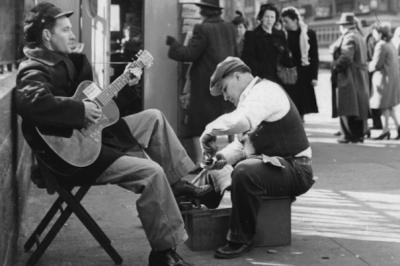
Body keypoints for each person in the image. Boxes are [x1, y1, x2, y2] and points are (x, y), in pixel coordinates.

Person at [15, 3, 210, 265]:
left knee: (154, 118)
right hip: (73, 156)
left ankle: (177, 188)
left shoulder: (73, 62)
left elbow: (103, 109)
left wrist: (127, 85)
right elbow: (32, 104)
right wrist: (79, 110)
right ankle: (164, 253)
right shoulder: (34, 68)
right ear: (47, 36)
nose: (72, 35)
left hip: (98, 135)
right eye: (65, 30)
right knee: (152, 173)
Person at [199, 57, 314, 259]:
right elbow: (242, 144)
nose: (225, 97)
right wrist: (220, 159)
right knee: (214, 170)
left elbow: (243, 122)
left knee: (245, 172)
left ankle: (240, 238)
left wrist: (210, 131)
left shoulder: (266, 91)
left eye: (225, 89)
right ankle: (189, 209)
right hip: (278, 165)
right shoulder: (251, 98)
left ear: (237, 76)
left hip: (296, 169)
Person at [166, 0, 237, 165]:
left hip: (205, 85)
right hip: (226, 82)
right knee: (222, 121)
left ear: (204, 11)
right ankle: (224, 157)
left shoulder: (203, 28)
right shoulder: (230, 28)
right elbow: (236, 53)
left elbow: (190, 54)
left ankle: (202, 161)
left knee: (200, 125)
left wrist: (173, 44)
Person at [331, 13, 370, 143]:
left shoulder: (349, 37)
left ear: (344, 26)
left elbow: (346, 57)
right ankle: (358, 135)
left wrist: (336, 66)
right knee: (358, 107)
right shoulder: (359, 35)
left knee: (347, 106)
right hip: (360, 76)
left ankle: (348, 135)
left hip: (349, 76)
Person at [281, 6, 319, 120]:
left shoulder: (309, 34)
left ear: (295, 20)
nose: (284, 24)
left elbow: (314, 56)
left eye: (286, 21)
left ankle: (300, 122)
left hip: (304, 72)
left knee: (302, 102)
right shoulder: (283, 35)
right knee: (290, 101)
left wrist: (314, 77)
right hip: (289, 73)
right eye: (283, 21)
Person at [241, 3, 287, 83]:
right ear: (261, 18)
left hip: (280, 78)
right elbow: (247, 59)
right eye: (267, 17)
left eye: (272, 17)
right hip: (261, 78)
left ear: (275, 19)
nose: (269, 20)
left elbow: (285, 56)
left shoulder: (280, 34)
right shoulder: (251, 36)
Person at [368, 24, 400, 139]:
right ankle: (395, 127)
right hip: (391, 79)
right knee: (388, 106)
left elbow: (376, 64)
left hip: (382, 80)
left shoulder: (380, 45)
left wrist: (366, 66)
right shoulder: (390, 44)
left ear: (380, 34)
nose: (373, 35)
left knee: (384, 106)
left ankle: (386, 130)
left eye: (375, 33)